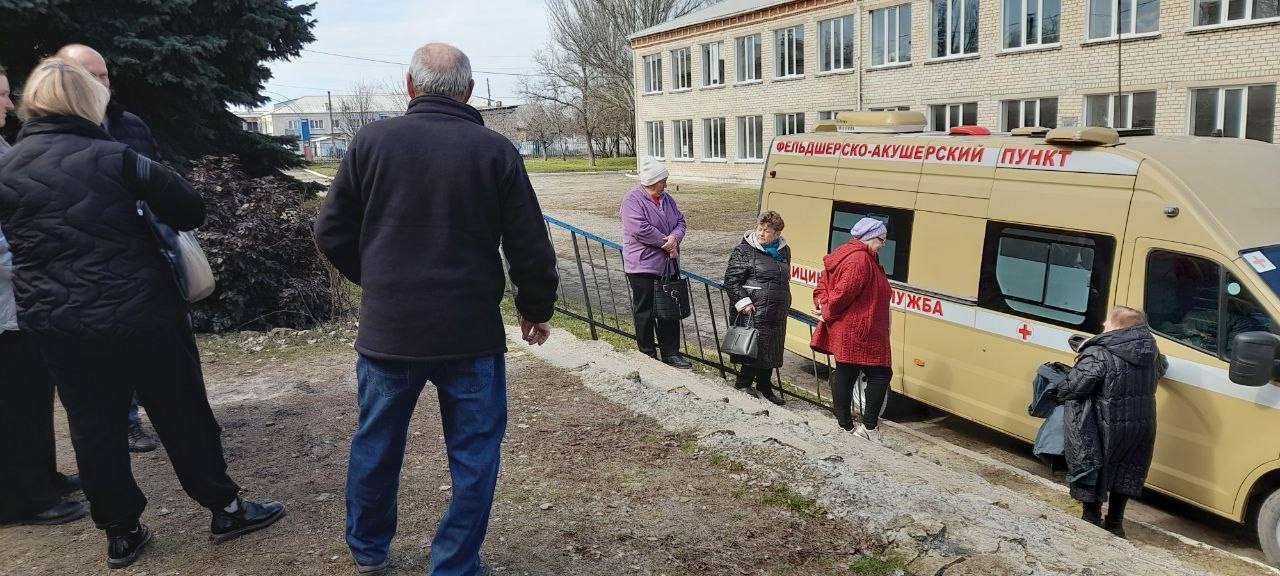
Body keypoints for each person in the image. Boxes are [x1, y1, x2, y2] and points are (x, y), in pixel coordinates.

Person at [0, 58, 284, 569]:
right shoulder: (118, 157)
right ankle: (224, 509)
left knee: (92, 426)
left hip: (58, 321)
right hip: (141, 313)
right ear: (89, 101)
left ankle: (121, 532)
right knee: (182, 412)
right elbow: (189, 209)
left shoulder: (7, 167)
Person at [314, 43, 558, 576]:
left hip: (390, 331)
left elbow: (330, 231)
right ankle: (454, 563)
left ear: (409, 85)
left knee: (376, 443)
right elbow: (528, 243)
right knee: (474, 454)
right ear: (468, 91)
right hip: (469, 333)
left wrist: (380, 282)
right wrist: (535, 306)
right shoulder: (495, 152)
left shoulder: (371, 142)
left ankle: (368, 549)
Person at [57, 43, 159, 452]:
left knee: (152, 350)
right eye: (91, 76)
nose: (101, 83)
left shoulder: (129, 124)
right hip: (81, 267)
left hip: (139, 256)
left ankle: (158, 416)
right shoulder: (51, 136)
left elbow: (159, 175)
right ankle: (124, 423)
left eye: (104, 75)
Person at [0, 62, 87, 527]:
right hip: (7, 306)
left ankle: (44, 477)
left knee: (35, 396)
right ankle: (25, 498)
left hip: (25, 301)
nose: (9, 103)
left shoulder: (3, 147)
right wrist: (38, 260)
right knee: (14, 403)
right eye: (0, 95)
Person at [1056, 306, 1163, 539]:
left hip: (1104, 424)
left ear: (1117, 326)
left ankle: (1091, 519)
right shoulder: (1151, 350)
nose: (1104, 324)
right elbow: (1161, 370)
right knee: (1126, 470)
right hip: (1140, 425)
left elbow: (1074, 387)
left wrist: (1059, 387)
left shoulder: (1098, 352)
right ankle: (1115, 524)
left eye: (1108, 321)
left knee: (1093, 465)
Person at [811, 217, 893, 443]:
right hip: (860, 329)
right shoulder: (860, 260)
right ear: (870, 237)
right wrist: (827, 310)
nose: (883, 245)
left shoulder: (848, 253)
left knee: (846, 372)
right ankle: (868, 428)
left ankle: (845, 425)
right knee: (881, 374)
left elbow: (825, 283)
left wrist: (823, 304)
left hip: (850, 328)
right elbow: (843, 294)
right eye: (882, 240)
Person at [620, 156, 691, 369]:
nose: (666, 185)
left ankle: (671, 353)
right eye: (663, 181)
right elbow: (639, 228)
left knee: (669, 309)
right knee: (645, 310)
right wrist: (665, 243)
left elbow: (680, 221)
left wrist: (675, 238)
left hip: (667, 264)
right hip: (642, 265)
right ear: (652, 181)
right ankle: (647, 353)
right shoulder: (632, 200)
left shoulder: (668, 199)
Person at [723, 211, 791, 406]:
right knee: (754, 347)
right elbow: (731, 280)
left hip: (776, 310)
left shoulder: (784, 251)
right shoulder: (744, 250)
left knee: (772, 348)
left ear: (777, 234)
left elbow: (784, 278)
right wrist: (743, 302)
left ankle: (764, 386)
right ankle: (743, 383)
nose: (761, 233)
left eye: (767, 231)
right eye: (760, 229)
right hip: (754, 309)